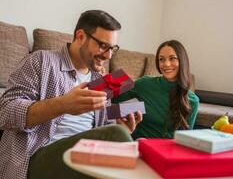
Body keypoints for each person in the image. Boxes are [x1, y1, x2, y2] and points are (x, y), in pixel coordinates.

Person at [0, 10, 142, 179]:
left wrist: (123, 128)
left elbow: (104, 128)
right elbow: (5, 112)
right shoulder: (41, 61)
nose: (108, 55)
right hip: (36, 158)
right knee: (116, 136)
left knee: (123, 137)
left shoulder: (101, 80)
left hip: (85, 157)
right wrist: (62, 105)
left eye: (113, 48)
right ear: (80, 36)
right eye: (103, 46)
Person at [113, 40, 199, 139]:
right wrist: (101, 79)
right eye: (161, 59)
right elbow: (109, 102)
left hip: (166, 151)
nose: (166, 64)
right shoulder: (144, 83)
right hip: (137, 144)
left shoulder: (193, 100)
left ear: (182, 61)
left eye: (172, 58)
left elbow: (185, 140)